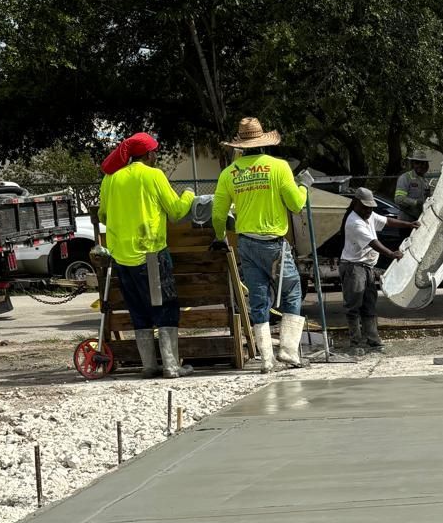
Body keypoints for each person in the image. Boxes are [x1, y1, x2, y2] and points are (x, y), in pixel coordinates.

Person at [211, 117, 308, 373]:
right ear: (264, 142)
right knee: (292, 292)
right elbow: (296, 205)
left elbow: (219, 214)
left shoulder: (229, 174)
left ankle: (266, 359)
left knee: (258, 299)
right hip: (275, 244)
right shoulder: (278, 167)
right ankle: (288, 352)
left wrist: (219, 237)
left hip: (247, 244)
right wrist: (304, 189)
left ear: (240, 146)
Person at [97, 132, 195, 379]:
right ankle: (171, 367)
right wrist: (189, 195)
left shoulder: (111, 179)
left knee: (138, 310)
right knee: (166, 308)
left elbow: (103, 216)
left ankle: (149, 366)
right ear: (150, 154)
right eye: (156, 152)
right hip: (151, 255)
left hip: (121, 258)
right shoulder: (154, 176)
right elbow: (175, 212)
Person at [339, 188, 411, 352]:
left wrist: (409, 224)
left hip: (367, 266)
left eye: (371, 207)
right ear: (356, 204)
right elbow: (373, 242)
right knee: (354, 304)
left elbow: (387, 221)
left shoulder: (369, 215)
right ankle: (356, 341)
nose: (369, 210)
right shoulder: (354, 222)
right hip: (353, 266)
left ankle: (372, 338)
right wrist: (391, 253)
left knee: (369, 303)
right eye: (365, 207)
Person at [394, 154, 431, 221]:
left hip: (420, 220)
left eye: (423, 163)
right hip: (406, 221)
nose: (420, 165)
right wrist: (416, 202)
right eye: (417, 162)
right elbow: (398, 199)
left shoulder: (425, 181)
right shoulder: (405, 178)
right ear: (412, 164)